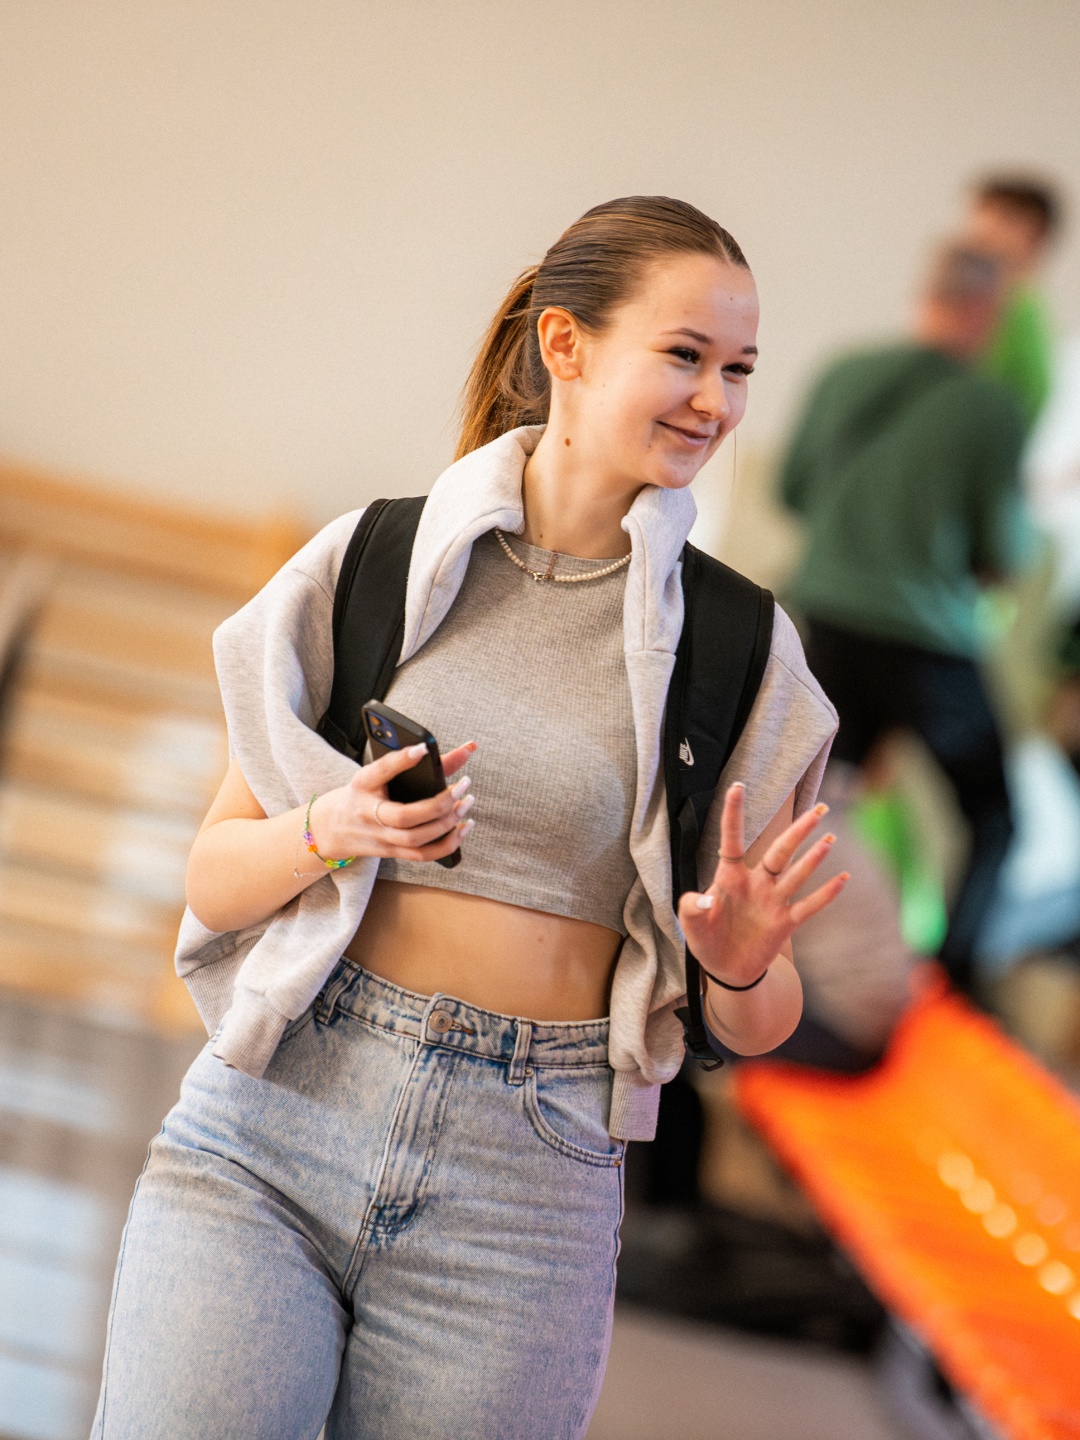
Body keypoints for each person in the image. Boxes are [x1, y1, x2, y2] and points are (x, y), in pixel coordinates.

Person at [92, 197, 844, 1440]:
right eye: (685, 355)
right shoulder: (370, 561)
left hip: (529, 1182)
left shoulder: (740, 649)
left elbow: (755, 1026)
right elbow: (217, 880)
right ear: (566, 344)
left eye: (741, 370)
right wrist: (335, 827)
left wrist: (738, 963)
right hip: (278, 1121)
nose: (716, 401)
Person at [781, 243, 1030, 996]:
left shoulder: (843, 374)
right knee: (995, 818)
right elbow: (1002, 549)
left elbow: (792, 490)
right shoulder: (989, 406)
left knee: (814, 806)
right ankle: (950, 991)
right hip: (925, 640)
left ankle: (802, 976)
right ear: (987, 312)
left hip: (826, 623)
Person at [964, 173, 1063, 427]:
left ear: (1034, 233)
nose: (977, 236)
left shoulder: (1022, 315)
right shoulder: (987, 311)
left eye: (999, 221)